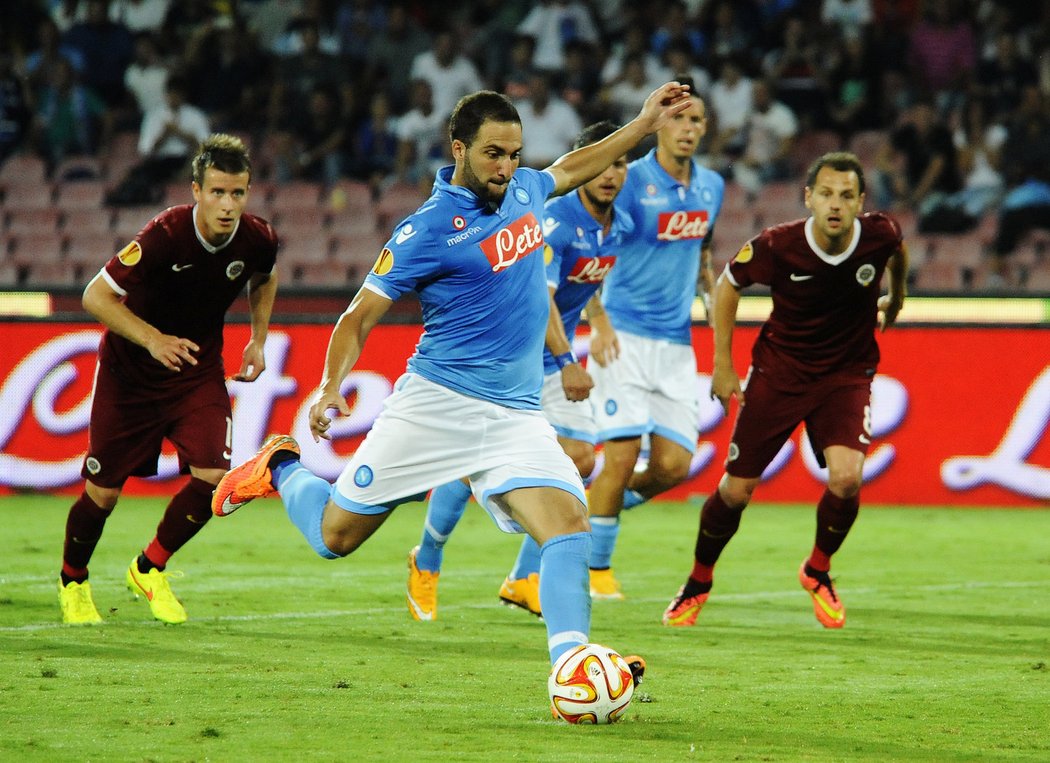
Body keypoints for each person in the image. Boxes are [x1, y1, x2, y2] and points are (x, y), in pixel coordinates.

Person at [211, 84, 694, 685]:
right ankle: (279, 466)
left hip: (515, 416)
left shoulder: (525, 189)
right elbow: (358, 315)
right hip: (436, 406)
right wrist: (331, 384)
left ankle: (572, 667)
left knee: (567, 527)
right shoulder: (427, 230)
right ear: (459, 148)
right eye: (494, 153)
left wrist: (644, 124)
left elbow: (570, 168)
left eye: (515, 154)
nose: (507, 167)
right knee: (335, 538)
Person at [662, 151, 907, 629]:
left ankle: (817, 570)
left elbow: (897, 250)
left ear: (860, 203)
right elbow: (730, 286)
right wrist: (723, 365)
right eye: (827, 194)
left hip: (846, 375)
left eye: (847, 195)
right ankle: (698, 581)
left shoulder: (880, 233)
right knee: (736, 491)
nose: (836, 204)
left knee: (847, 480)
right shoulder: (777, 245)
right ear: (808, 198)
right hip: (780, 374)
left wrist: (896, 298)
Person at [405, 120, 630, 622]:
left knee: (578, 461)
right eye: (605, 162)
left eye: (620, 163)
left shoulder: (622, 224)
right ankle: (429, 558)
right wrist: (569, 359)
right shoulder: (554, 219)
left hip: (549, 357)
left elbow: (583, 282)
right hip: (523, 356)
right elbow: (542, 293)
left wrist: (600, 319)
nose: (611, 173)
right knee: (473, 463)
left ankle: (524, 578)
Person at [57, 134, 279, 625]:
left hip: (194, 373)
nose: (228, 205)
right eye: (218, 192)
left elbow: (264, 276)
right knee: (103, 494)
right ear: (196, 190)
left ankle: (149, 566)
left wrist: (258, 339)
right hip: (130, 375)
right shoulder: (165, 234)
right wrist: (153, 338)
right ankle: (73, 579)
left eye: (237, 193)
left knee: (214, 478)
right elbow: (95, 296)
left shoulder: (256, 237)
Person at [584, 78, 724, 600]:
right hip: (622, 336)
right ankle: (596, 570)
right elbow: (590, 248)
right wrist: (596, 318)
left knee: (673, 466)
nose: (687, 128)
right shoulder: (630, 180)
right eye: (679, 118)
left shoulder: (712, 187)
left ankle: (590, 510)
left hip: (676, 345)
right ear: (660, 124)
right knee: (618, 459)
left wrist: (711, 296)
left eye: (696, 120)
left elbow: (703, 250)